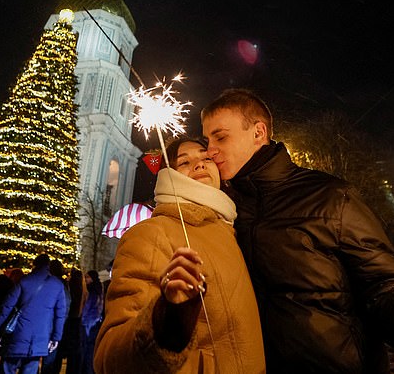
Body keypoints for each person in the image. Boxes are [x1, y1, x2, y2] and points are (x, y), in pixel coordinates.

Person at [201, 88, 394, 373]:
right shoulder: (225, 211)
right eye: (206, 140)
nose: (210, 150)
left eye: (221, 136)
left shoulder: (329, 195)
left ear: (258, 132)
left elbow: (383, 283)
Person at [94, 137, 266, 373]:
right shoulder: (151, 233)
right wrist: (165, 322)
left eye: (206, 157)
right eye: (184, 162)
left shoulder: (234, 231)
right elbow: (109, 357)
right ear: (168, 176)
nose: (200, 164)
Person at [0, 254, 66, 374]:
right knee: (30, 369)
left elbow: (7, 307)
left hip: (18, 335)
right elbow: (60, 314)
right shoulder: (57, 285)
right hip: (40, 338)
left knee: (7, 368)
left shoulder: (24, 281)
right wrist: (56, 337)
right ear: (48, 266)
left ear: (34, 264)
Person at [80, 270, 103, 374]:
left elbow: (88, 309)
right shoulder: (97, 290)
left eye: (88, 277)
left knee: (88, 351)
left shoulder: (93, 292)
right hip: (93, 323)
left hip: (90, 324)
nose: (86, 279)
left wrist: (83, 322)